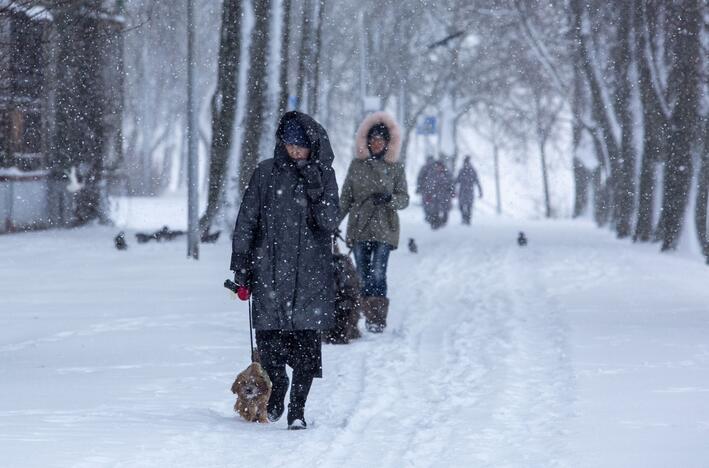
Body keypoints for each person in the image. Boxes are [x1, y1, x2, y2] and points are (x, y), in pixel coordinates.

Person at [230, 111, 339, 430]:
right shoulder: (265, 173)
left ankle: (297, 410)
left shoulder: (324, 175)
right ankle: (277, 392)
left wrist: (317, 190)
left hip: (310, 276)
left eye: (301, 146)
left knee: (306, 350)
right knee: (269, 346)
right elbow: (247, 220)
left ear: (313, 146)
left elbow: (331, 221)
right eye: (289, 144)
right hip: (269, 273)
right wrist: (241, 263)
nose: (295, 151)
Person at [339, 111, 409, 333]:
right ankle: (360, 314)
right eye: (373, 139)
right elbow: (346, 197)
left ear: (387, 142)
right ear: (366, 141)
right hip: (360, 226)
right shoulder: (356, 165)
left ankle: (377, 318)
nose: (376, 143)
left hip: (385, 228)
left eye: (380, 140)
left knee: (378, 272)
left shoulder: (395, 167)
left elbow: (404, 199)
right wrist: (331, 221)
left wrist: (390, 199)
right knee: (361, 273)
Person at [421, 159, 454, 229]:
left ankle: (442, 224)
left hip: (444, 197)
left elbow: (451, 184)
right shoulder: (431, 174)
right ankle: (435, 224)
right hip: (434, 197)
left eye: (439, 166)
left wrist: (451, 192)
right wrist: (428, 194)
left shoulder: (447, 174)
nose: (438, 168)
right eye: (437, 166)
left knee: (445, 212)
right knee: (434, 212)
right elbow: (428, 185)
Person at [455, 156, 483, 225]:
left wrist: (480, 191)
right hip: (464, 191)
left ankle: (467, 219)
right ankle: (465, 218)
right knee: (463, 206)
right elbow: (457, 180)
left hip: (468, 191)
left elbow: (477, 181)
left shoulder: (471, 171)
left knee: (468, 206)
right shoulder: (462, 170)